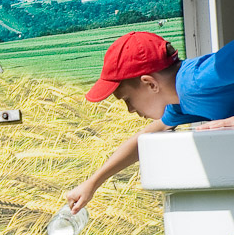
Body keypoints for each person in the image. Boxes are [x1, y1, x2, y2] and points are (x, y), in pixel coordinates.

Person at [67, 31, 234, 213]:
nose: (130, 109)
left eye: (127, 99)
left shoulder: (194, 82)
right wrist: (92, 183)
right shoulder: (179, 104)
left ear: (150, 84)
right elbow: (142, 140)